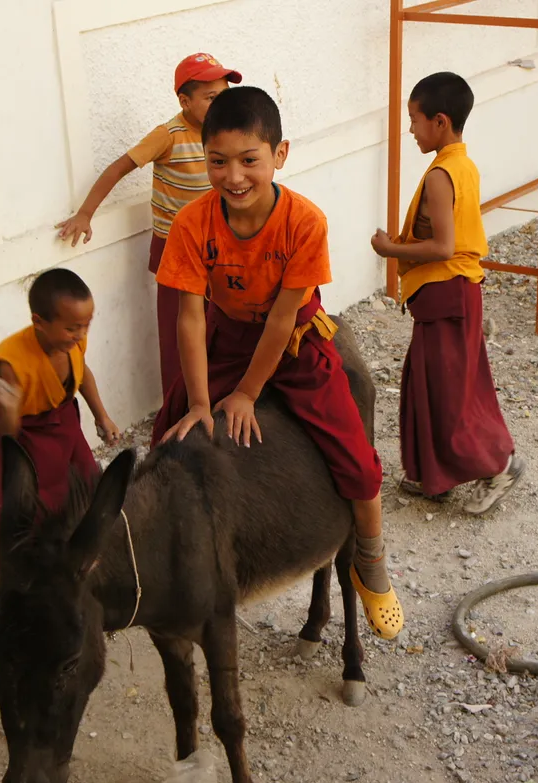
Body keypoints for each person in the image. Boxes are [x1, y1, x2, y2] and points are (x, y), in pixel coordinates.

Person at [151, 86, 403, 640]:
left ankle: (371, 562)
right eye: (218, 162)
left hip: (294, 343)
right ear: (203, 156)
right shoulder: (192, 223)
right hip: (225, 335)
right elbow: (189, 319)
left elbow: (284, 319)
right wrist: (198, 401)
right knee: (165, 437)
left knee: (358, 463)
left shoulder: (304, 222)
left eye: (249, 160)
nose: (233, 176)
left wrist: (244, 393)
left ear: (279, 155)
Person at [370, 71, 523, 514]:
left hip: (448, 291)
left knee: (453, 395)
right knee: (427, 383)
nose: (412, 130)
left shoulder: (440, 175)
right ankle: (433, 477)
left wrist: (388, 249)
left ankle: (500, 465)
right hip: (452, 293)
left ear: (440, 121)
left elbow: (442, 246)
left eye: (415, 120)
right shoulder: (462, 164)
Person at [56, 52, 242, 397]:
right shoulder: (168, 135)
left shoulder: (227, 133)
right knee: (178, 333)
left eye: (225, 94)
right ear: (185, 101)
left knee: (220, 324)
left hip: (220, 247)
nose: (221, 104)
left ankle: (215, 397)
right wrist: (85, 213)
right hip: (177, 250)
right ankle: (178, 409)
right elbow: (118, 168)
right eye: (211, 97)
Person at [0, 268, 120, 595]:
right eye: (72, 327)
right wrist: (7, 408)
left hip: (59, 418)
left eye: (86, 324)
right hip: (8, 429)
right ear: (39, 322)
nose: (80, 333)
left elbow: (82, 372)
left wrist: (100, 415)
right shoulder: (11, 361)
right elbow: (7, 431)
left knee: (84, 478)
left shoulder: (75, 338)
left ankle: (82, 541)